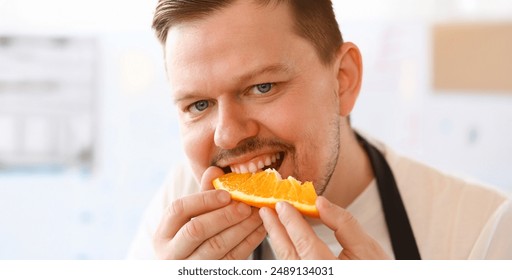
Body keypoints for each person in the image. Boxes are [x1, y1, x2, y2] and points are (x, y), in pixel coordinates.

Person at [127, 0, 512, 260]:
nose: (227, 136)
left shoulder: (482, 230)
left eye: (263, 87)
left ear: (343, 80)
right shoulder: (179, 215)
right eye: (198, 105)